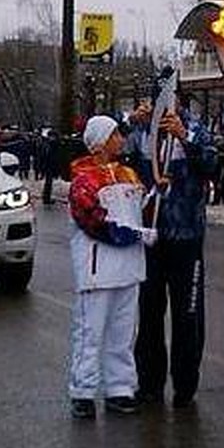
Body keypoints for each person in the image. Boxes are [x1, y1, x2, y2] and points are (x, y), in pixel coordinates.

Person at [124, 98, 217, 408]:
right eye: (156, 99)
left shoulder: (195, 129)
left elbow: (210, 165)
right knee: (149, 315)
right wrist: (130, 122)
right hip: (151, 238)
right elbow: (114, 156)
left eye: (168, 98)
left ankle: (185, 386)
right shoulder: (141, 133)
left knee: (187, 316)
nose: (162, 107)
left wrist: (184, 137)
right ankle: (149, 384)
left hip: (187, 237)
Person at [67, 115, 156, 419]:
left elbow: (140, 211)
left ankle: (120, 388)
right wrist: (135, 235)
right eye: (116, 134)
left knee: (122, 334)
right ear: (100, 142)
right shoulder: (83, 180)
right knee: (90, 334)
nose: (121, 139)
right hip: (97, 269)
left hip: (129, 269)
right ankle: (83, 390)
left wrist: (158, 195)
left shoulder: (129, 174)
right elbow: (94, 222)